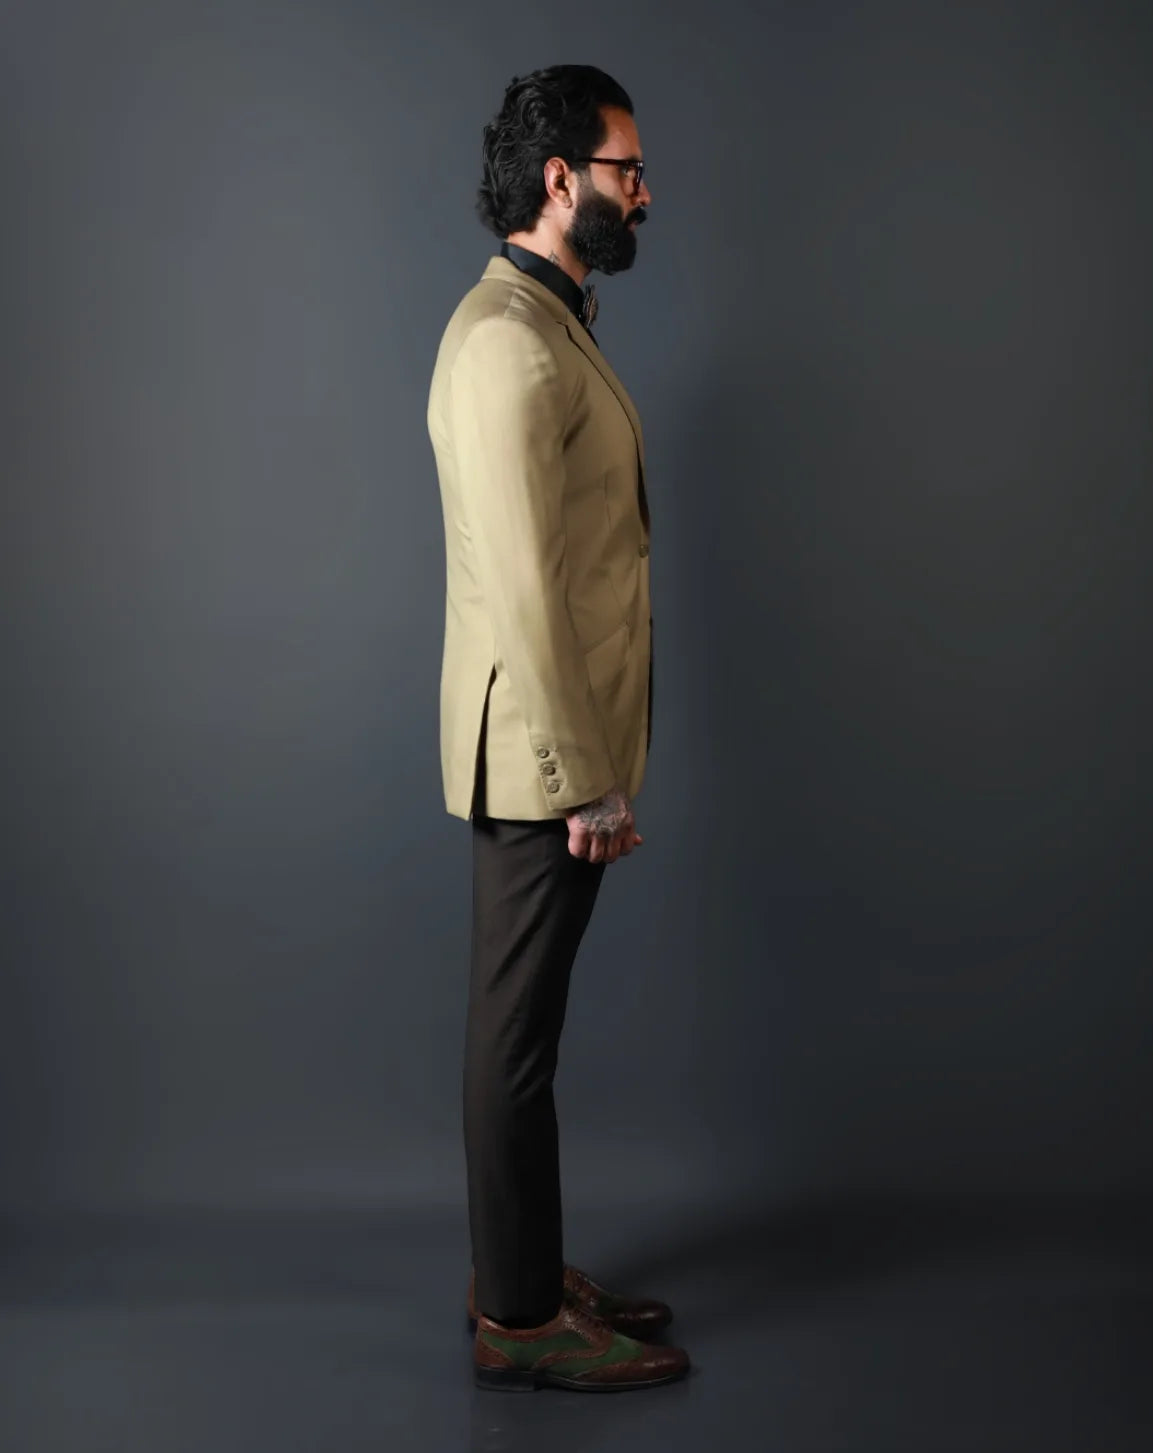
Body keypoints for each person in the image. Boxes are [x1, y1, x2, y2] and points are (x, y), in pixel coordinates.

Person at [426, 64, 689, 1393]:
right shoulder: (506, 342)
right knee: (514, 1042)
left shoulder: (548, 318)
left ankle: (522, 1267)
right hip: (539, 754)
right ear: (558, 178)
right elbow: (525, 588)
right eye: (626, 170)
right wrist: (585, 777)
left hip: (556, 745)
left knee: (524, 1035)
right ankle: (520, 1320)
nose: (643, 193)